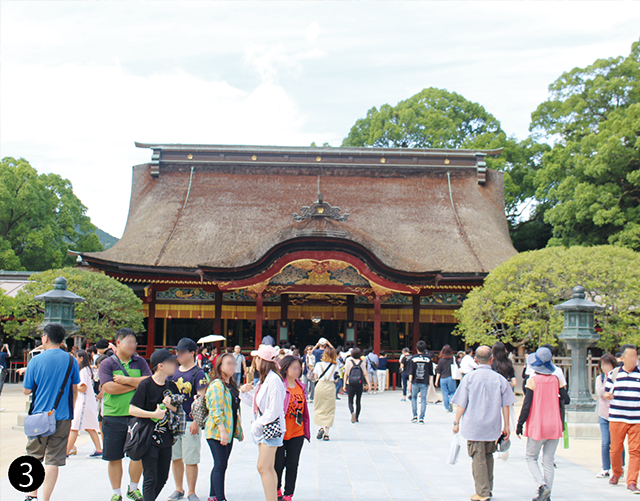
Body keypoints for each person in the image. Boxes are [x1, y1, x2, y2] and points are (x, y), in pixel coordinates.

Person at [23, 324, 80, 501]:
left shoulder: (35, 360)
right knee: (53, 460)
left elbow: (26, 390)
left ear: (45, 338)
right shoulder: (71, 360)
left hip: (39, 415)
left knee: (34, 456)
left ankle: (32, 495)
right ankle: (46, 499)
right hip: (62, 416)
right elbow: (75, 389)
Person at [451, 345, 517, 501]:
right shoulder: (500, 379)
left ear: (475, 360)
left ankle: (482, 492)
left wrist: (456, 421)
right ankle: (488, 488)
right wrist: (506, 425)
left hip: (474, 425)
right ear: (491, 359)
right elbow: (506, 405)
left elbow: (461, 404)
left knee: (478, 458)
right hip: (493, 425)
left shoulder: (469, 378)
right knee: (488, 457)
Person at [100, 328, 153, 501]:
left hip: (137, 415)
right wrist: (136, 384)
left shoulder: (140, 362)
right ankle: (116, 493)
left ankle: (133, 488)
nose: (133, 346)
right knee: (114, 456)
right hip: (113, 415)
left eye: (134, 343)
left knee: (137, 454)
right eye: (129, 342)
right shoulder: (108, 363)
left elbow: (149, 381)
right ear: (118, 343)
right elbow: (109, 388)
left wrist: (126, 380)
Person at [517, 347, 571, 501]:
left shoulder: (532, 381)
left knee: (531, 457)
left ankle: (542, 486)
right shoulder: (556, 380)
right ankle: (547, 496)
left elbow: (526, 405)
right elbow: (566, 399)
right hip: (555, 424)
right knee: (548, 460)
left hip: (538, 424)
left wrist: (520, 423)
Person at [129, 349, 181, 501]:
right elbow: (132, 409)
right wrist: (153, 414)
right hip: (148, 437)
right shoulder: (146, 385)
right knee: (150, 477)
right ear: (160, 366)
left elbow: (178, 410)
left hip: (166, 437)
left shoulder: (172, 386)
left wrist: (170, 405)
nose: (175, 364)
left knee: (162, 477)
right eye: (171, 362)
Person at [244, 344, 286, 501]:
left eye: (257, 358)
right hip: (265, 427)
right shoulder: (265, 380)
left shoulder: (274, 380)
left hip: (270, 427)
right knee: (267, 467)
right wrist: (244, 394)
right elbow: (259, 405)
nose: (254, 361)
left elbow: (273, 410)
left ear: (263, 361)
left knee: (263, 467)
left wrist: (258, 424)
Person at [169, 338, 208, 501]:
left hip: (189, 418)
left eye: (182, 352)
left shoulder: (198, 373)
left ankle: (192, 491)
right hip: (174, 418)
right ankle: (179, 488)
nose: (179, 355)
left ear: (192, 353)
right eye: (178, 351)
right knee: (175, 456)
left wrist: (197, 422)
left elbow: (202, 400)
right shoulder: (173, 371)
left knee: (190, 457)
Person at [204, 352, 246, 501]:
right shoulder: (217, 385)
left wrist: (238, 430)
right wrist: (223, 431)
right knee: (220, 464)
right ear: (220, 366)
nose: (232, 366)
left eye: (234, 363)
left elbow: (234, 409)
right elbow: (216, 411)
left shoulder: (230, 384)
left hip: (228, 430)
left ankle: (213, 495)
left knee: (220, 464)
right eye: (228, 363)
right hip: (217, 431)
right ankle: (220, 498)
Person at [604, 343, 640, 493]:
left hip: (636, 418)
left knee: (635, 451)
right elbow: (606, 392)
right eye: (631, 356)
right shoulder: (614, 373)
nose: (634, 359)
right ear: (623, 358)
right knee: (615, 449)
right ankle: (617, 472)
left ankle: (632, 481)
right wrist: (607, 395)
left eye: (636, 356)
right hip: (617, 417)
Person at [275, 355, 310, 501]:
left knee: (292, 464)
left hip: (297, 431)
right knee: (278, 464)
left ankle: (289, 494)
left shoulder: (301, 386)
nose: (298, 371)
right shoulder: (279, 386)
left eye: (299, 368)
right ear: (285, 368)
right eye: (294, 368)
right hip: (281, 432)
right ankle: (277, 489)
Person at [67, 350, 103, 458]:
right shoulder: (87, 370)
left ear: (81, 358)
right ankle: (99, 449)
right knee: (89, 427)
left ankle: (66, 452)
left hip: (83, 402)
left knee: (74, 427)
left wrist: (73, 384)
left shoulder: (83, 371)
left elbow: (83, 387)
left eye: (76, 357)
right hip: (87, 402)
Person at [595, 353, 624, 478]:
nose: (604, 367)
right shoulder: (600, 378)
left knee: (617, 442)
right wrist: (607, 379)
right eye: (602, 365)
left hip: (617, 412)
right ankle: (605, 468)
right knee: (606, 442)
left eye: (607, 364)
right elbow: (600, 392)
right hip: (603, 413)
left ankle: (620, 466)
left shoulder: (619, 376)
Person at [492, 341, 518, 436]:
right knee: (505, 424)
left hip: (492, 396)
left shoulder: (491, 362)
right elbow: (514, 382)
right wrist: (507, 383)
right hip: (505, 396)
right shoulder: (508, 363)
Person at [313, 346, 338, 440]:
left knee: (318, 406)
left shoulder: (318, 365)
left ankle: (320, 427)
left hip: (320, 385)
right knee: (330, 409)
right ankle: (327, 434)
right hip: (330, 386)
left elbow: (316, 377)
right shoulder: (335, 366)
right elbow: (336, 379)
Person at [343, 347, 370, 423]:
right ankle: (357, 417)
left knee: (350, 400)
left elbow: (346, 374)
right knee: (358, 401)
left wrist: (344, 384)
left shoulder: (349, 362)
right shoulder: (363, 363)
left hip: (350, 383)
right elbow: (365, 374)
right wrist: (369, 384)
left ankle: (352, 412)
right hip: (359, 383)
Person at [407, 341, 432, 424]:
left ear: (416, 348)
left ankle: (414, 415)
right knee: (423, 399)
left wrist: (410, 382)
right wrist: (430, 382)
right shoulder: (428, 359)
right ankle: (422, 417)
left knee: (413, 398)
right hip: (424, 381)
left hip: (415, 381)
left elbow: (411, 371)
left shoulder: (413, 358)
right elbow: (431, 372)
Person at [435, 345, 457, 412]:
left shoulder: (441, 360)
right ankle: (451, 400)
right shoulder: (453, 358)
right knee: (452, 392)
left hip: (443, 378)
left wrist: (436, 381)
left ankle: (447, 408)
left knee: (444, 393)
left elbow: (438, 371)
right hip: (451, 378)